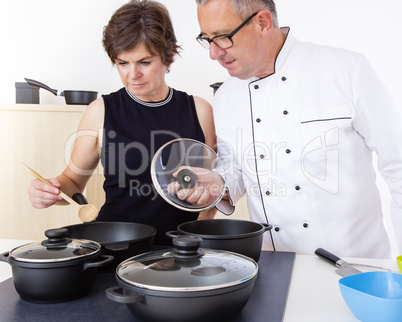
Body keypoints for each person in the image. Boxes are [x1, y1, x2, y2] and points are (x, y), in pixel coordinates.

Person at [184, 0, 402, 258]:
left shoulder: (346, 70)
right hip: (273, 268)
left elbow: (397, 164)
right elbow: (238, 169)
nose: (213, 53)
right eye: (206, 39)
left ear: (262, 23)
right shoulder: (226, 95)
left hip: (355, 269)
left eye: (222, 37)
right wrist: (218, 182)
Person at [27, 0, 216, 245]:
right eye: (122, 63)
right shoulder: (101, 111)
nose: (132, 74)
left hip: (181, 249)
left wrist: (195, 241)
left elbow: (213, 190)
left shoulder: (199, 111)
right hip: (116, 245)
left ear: (168, 56)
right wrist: (51, 190)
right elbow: (73, 181)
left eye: (144, 62)